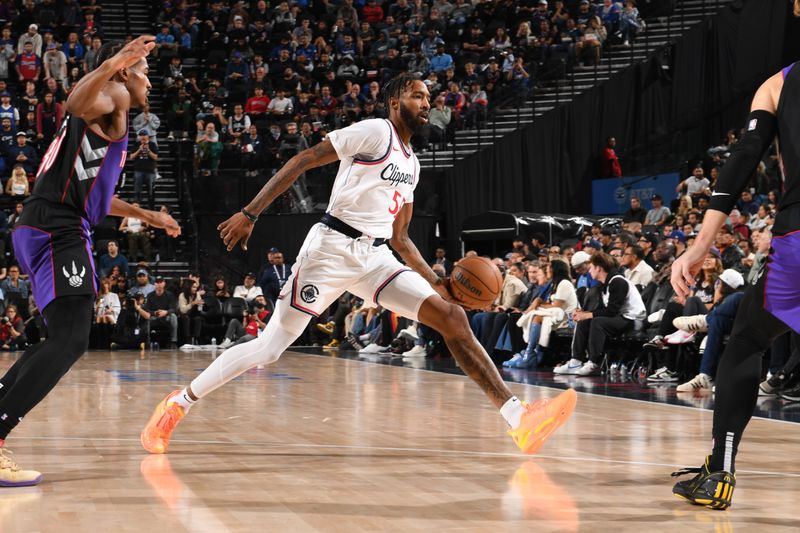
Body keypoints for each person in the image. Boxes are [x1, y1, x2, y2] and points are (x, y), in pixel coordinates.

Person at [141, 73, 577, 457]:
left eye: (429, 97)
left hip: (375, 256)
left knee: (452, 315)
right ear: (395, 102)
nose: (427, 103)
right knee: (270, 348)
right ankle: (178, 402)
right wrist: (251, 212)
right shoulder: (375, 132)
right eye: (418, 96)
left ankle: (519, 418)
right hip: (330, 250)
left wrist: (438, 282)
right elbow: (303, 160)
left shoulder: (413, 163)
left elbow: (402, 237)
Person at [0, 36, 180, 486]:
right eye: (144, 73)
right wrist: (117, 62)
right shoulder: (112, 96)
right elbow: (75, 102)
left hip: (41, 224)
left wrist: (147, 215)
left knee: (62, 337)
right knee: (72, 339)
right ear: (122, 73)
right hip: (57, 227)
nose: (149, 83)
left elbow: (97, 198)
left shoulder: (107, 118)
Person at [670, 35, 800, 510]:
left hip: (798, 235)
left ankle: (720, 474)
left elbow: (745, 158)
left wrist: (701, 245)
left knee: (746, 340)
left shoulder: (777, 85)